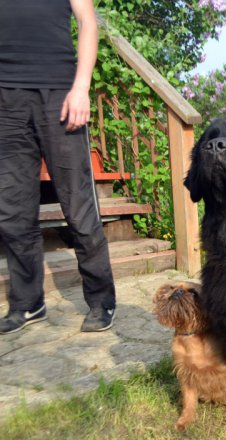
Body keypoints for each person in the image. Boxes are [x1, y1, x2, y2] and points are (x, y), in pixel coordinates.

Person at [0, 0, 116, 334]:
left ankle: (101, 300)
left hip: (60, 94)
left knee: (78, 206)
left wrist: (81, 87)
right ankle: (27, 303)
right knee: (11, 210)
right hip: (6, 98)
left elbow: (88, 23)